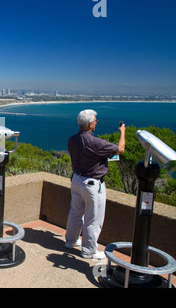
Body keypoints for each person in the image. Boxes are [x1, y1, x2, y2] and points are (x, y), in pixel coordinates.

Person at [65, 109, 126, 259]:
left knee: (75, 212)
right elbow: (120, 149)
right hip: (92, 183)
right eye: (96, 120)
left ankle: (70, 241)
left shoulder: (72, 139)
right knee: (93, 218)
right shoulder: (95, 142)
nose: (97, 122)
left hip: (77, 179)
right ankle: (89, 251)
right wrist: (122, 132)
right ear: (91, 124)